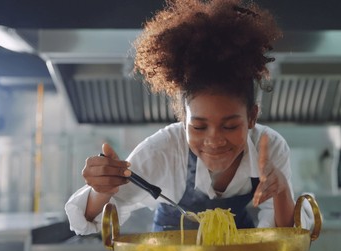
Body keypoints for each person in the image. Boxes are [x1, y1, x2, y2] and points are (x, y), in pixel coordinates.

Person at [65, 0, 313, 235]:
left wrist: (281, 191)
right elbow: (91, 217)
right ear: (183, 120)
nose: (214, 140)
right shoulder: (163, 150)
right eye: (198, 126)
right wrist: (102, 189)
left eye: (230, 125)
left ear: (252, 117)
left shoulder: (268, 147)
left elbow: (286, 237)